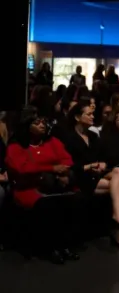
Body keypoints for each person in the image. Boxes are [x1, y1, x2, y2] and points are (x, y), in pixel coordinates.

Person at [5, 107, 83, 263]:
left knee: (75, 199)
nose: (42, 125)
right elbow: (21, 169)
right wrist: (51, 169)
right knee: (48, 205)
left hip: (54, 184)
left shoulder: (52, 141)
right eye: (37, 122)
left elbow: (67, 160)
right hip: (28, 187)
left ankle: (64, 245)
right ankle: (51, 247)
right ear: (26, 125)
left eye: (44, 122)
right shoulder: (16, 146)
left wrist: (62, 173)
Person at [64, 103, 119, 248]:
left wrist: (103, 164)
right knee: (115, 189)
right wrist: (90, 166)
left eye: (93, 114)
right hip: (81, 176)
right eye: (89, 114)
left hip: (96, 175)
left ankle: (116, 217)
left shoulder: (93, 136)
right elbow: (70, 165)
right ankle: (116, 227)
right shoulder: (69, 137)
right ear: (77, 117)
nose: (93, 116)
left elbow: (104, 157)